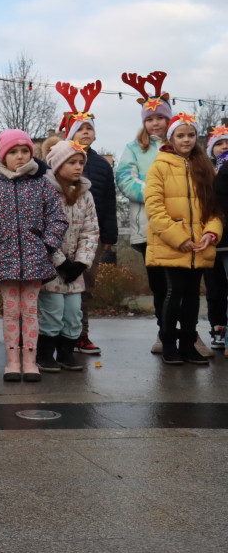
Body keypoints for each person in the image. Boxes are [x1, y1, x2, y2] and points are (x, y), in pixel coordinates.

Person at [0, 129, 68, 382]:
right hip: (4, 261)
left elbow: (57, 218)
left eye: (24, 151)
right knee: (10, 311)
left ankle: (30, 360)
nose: (19, 156)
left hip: (35, 260)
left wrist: (46, 245)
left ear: (31, 154)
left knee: (29, 311)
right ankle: (12, 361)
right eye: (13, 152)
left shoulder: (42, 186)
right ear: (2, 156)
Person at [145, 113, 222, 364]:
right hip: (170, 243)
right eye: (180, 135)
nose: (186, 140)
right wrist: (179, 238)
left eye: (190, 135)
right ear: (171, 138)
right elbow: (155, 209)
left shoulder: (205, 168)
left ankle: (188, 343)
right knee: (173, 290)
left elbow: (214, 209)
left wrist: (211, 234)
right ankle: (168, 342)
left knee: (191, 294)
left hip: (199, 245)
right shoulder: (159, 166)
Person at [55, 81, 116, 354]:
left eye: (90, 128)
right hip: (59, 237)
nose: (87, 132)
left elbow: (109, 201)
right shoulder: (56, 161)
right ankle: (54, 335)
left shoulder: (102, 165)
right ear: (70, 133)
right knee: (55, 287)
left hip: (90, 236)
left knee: (85, 286)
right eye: (81, 128)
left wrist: (109, 237)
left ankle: (81, 334)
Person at [117, 71, 172, 355]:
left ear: (168, 119)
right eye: (150, 119)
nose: (155, 123)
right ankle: (164, 332)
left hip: (179, 228)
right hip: (147, 228)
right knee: (160, 285)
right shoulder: (133, 149)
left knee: (182, 284)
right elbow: (126, 180)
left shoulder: (180, 145)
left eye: (160, 118)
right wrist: (158, 194)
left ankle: (185, 332)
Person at [36, 139, 99, 372]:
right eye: (71, 162)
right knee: (53, 312)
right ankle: (44, 354)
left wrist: (81, 263)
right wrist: (60, 262)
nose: (78, 166)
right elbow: (40, 230)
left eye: (81, 162)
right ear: (57, 164)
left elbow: (91, 230)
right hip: (51, 268)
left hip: (75, 270)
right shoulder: (44, 191)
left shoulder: (85, 194)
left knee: (73, 314)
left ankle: (65, 352)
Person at [204, 125, 228, 351]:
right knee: (214, 289)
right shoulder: (207, 173)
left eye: (227, 143)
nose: (224, 146)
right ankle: (217, 328)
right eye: (219, 143)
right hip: (211, 240)